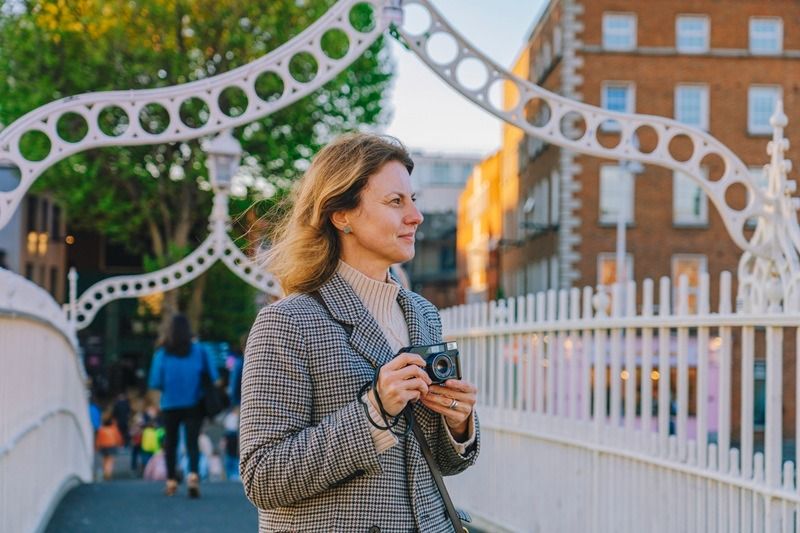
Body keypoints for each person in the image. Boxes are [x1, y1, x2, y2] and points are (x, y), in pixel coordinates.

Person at [240, 133, 480, 532]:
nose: (415, 217)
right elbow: (262, 476)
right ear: (341, 215)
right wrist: (374, 411)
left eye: (413, 200)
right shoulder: (288, 322)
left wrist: (458, 424)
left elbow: (440, 463)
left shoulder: (423, 314)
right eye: (395, 202)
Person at [147, 313, 218, 498]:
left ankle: (171, 481)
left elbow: (155, 381)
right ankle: (193, 476)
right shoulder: (200, 351)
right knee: (192, 442)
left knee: (171, 443)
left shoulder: (162, 353)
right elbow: (213, 375)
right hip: (194, 403)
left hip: (170, 403)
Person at [95, 416, 124, 480]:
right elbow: (118, 438)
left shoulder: (101, 429)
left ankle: (105, 471)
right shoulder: (114, 429)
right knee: (110, 460)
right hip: (111, 445)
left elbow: (98, 439)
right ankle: (108, 473)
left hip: (103, 446)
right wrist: (120, 444)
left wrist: (97, 446)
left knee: (105, 459)